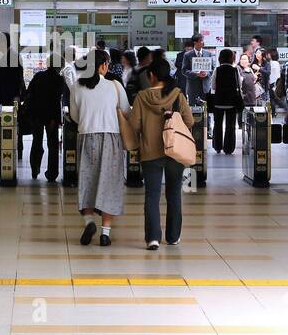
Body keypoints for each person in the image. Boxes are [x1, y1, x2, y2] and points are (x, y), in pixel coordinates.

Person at [63, 49, 130, 246]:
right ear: (102, 66)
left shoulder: (77, 87)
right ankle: (105, 234)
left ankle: (89, 221)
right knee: (110, 183)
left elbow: (74, 117)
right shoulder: (115, 86)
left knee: (86, 180)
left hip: (86, 137)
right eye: (107, 64)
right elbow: (125, 111)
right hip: (111, 138)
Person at [129, 56, 194, 251]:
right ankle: (173, 236)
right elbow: (189, 121)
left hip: (150, 153)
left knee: (152, 196)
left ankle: (153, 238)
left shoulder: (141, 97)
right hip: (175, 152)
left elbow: (134, 125)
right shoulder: (177, 95)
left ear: (152, 75)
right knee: (174, 194)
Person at [22, 53, 65, 182]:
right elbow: (56, 101)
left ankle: (35, 169)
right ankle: (52, 174)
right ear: (60, 65)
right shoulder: (59, 79)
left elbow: (29, 93)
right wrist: (56, 119)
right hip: (51, 116)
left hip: (36, 115)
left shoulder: (39, 76)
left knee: (37, 142)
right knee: (53, 146)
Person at [208, 48, 243, 154]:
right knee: (230, 126)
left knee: (217, 125)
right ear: (232, 58)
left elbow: (213, 86)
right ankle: (228, 148)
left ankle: (217, 146)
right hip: (231, 102)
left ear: (220, 58)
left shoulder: (217, 70)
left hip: (218, 102)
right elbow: (239, 86)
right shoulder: (235, 70)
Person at [175, 34, 211, 106]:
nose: (203, 43)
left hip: (205, 86)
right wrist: (196, 74)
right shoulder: (187, 55)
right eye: (201, 41)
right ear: (195, 43)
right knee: (193, 109)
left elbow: (212, 69)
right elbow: (184, 70)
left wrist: (207, 73)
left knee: (205, 109)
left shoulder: (208, 54)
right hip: (192, 86)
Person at [0, 35, 25, 109]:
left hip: (10, 95)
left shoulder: (11, 55)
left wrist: (16, 95)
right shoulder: (10, 54)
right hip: (10, 95)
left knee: (10, 117)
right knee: (10, 117)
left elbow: (16, 76)